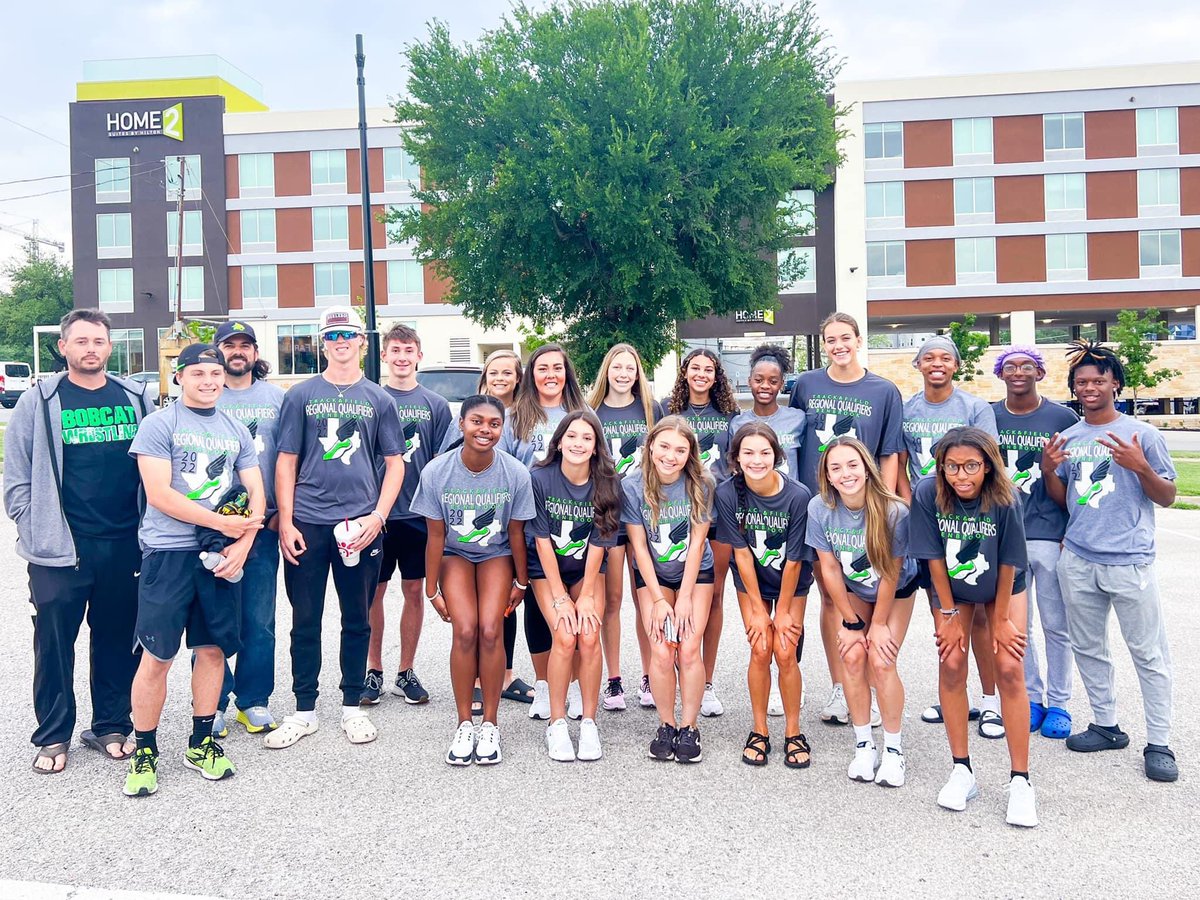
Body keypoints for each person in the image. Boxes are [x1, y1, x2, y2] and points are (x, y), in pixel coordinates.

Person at [5, 309, 153, 774]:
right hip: (60, 549)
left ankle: (110, 724)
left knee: (115, 638)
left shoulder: (135, 397)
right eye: (81, 341)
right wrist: (35, 526)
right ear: (63, 347)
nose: (91, 349)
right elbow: (16, 478)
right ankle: (52, 736)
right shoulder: (39, 401)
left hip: (124, 543)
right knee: (54, 643)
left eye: (99, 341)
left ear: (110, 348)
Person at [123, 344, 265, 796]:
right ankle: (144, 748)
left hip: (220, 556)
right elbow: (160, 494)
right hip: (168, 554)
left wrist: (242, 543)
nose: (208, 381)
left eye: (215, 373)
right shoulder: (159, 424)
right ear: (179, 376)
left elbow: (256, 494)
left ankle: (201, 741)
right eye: (198, 372)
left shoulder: (235, 428)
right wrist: (223, 523)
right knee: (158, 655)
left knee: (212, 651)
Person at [266, 307, 405, 750]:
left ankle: (352, 707)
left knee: (357, 618)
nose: (341, 341)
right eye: (332, 335)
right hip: (308, 521)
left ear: (362, 341)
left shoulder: (379, 398)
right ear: (321, 343)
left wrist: (378, 516)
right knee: (305, 618)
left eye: (348, 334)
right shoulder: (300, 394)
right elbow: (285, 460)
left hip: (359, 522)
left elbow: (395, 463)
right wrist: (285, 520)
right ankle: (304, 709)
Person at [1042, 340, 1178, 783]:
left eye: (1098, 380)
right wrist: (1047, 471)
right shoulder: (1069, 438)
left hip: (1129, 560)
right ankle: (1106, 724)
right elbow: (1067, 502)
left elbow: (1169, 496)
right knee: (1089, 648)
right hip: (1078, 558)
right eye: (1081, 382)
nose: (1089, 388)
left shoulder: (1143, 435)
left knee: (1148, 653)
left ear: (1114, 383)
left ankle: (1159, 741)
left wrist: (1141, 467)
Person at [908, 426, 1035, 827]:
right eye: (952, 466)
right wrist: (947, 615)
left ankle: (1020, 781)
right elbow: (932, 558)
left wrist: (999, 620)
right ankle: (962, 769)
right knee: (950, 664)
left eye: (971, 466)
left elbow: (1011, 560)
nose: (961, 475)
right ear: (941, 466)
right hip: (951, 590)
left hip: (1004, 583)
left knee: (1011, 669)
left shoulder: (1004, 495)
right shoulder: (928, 492)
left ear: (987, 466)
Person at [790, 313, 904, 726]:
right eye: (830, 340)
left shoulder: (884, 391)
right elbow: (793, 438)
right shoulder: (806, 385)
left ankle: (872, 685)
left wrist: (884, 504)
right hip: (821, 507)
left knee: (870, 592)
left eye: (845, 338)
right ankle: (842, 686)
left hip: (865, 506)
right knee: (831, 596)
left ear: (858, 340)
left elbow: (890, 451)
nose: (838, 345)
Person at [411, 395, 536, 765]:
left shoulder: (515, 473)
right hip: (455, 555)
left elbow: (515, 534)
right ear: (462, 424)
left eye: (494, 424)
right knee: (465, 630)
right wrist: (430, 588)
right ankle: (465, 722)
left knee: (490, 630)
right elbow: (435, 536)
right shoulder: (437, 471)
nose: (485, 430)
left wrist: (523, 582)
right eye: (477, 422)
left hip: (496, 554)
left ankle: (492, 725)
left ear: (502, 429)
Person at [899, 336, 1004, 739]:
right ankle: (953, 695)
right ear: (918, 365)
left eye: (945, 357)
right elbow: (904, 464)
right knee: (945, 615)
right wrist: (915, 511)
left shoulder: (974, 407)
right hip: (930, 520)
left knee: (980, 617)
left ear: (956, 366)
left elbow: (990, 465)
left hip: (971, 520)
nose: (937, 363)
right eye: (929, 357)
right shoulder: (908, 409)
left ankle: (991, 701)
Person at [807, 436, 919, 786]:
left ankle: (894, 751)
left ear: (867, 468)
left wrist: (879, 624)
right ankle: (864, 745)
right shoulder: (820, 508)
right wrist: (851, 621)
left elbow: (891, 570)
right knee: (853, 655)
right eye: (835, 467)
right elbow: (829, 570)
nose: (845, 473)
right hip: (855, 590)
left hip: (895, 589)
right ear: (826, 474)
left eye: (852, 464)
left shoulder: (894, 510)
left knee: (882, 659)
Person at [991, 345, 1079, 740]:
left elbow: (1077, 479)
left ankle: (1060, 702)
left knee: (1056, 625)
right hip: (1007, 536)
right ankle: (1030, 697)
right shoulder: (989, 416)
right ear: (1001, 374)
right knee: (1015, 625)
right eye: (1011, 366)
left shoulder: (1063, 417)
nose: (1019, 372)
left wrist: (1072, 532)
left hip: (1051, 534)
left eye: (1028, 366)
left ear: (1040, 373)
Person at [713, 423, 811, 768]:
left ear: (777, 455)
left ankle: (794, 732)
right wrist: (758, 610)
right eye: (749, 453)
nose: (757, 460)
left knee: (784, 651)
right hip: (751, 579)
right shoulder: (726, 493)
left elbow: (796, 560)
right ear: (737, 458)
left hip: (791, 580)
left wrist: (782, 612)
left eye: (765, 452)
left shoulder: (798, 496)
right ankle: (759, 730)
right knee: (760, 647)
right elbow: (741, 555)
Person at [363, 324, 452, 706]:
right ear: (384, 355)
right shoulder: (370, 399)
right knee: (373, 594)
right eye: (394, 349)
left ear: (419, 355)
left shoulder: (436, 405)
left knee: (414, 590)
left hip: (417, 515)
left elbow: (444, 464)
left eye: (408, 349)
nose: (401, 356)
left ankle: (405, 671)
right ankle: (373, 670)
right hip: (376, 515)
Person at [501, 343, 588, 720]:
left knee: (575, 603)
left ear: (567, 372)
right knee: (539, 605)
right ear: (530, 374)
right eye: (542, 368)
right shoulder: (514, 416)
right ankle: (542, 685)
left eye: (557, 367)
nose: (550, 374)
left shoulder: (581, 414)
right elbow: (499, 466)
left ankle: (569, 685)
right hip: (527, 521)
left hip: (572, 520)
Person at [622, 416, 715, 764]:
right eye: (664, 446)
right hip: (653, 576)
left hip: (695, 573)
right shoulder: (632, 486)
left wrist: (686, 596)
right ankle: (666, 724)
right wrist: (659, 599)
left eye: (680, 449)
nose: (671, 456)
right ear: (650, 447)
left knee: (689, 647)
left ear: (690, 453)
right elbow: (639, 547)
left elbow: (696, 543)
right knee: (661, 649)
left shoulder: (702, 483)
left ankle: (689, 726)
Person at [529, 411, 621, 761]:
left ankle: (588, 721)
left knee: (588, 632)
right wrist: (559, 598)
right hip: (547, 570)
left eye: (587, 438)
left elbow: (600, 543)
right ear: (559, 440)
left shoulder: (607, 482)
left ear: (597, 446)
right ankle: (556, 722)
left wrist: (584, 597)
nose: (578, 444)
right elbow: (540, 541)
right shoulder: (539, 477)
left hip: (588, 570)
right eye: (572, 436)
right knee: (565, 635)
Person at [212, 320, 286, 738]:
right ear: (217, 351)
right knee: (214, 617)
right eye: (229, 345)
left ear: (256, 354)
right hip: (210, 526)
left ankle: (254, 699)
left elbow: (291, 458)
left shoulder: (277, 399)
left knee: (259, 618)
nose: (237, 352)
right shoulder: (201, 394)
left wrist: (278, 512)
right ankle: (213, 699)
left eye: (245, 346)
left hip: (263, 524)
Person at [588, 343, 663, 715]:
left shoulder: (652, 409)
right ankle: (614, 678)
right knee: (613, 600)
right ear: (607, 370)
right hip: (608, 512)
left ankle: (650, 675)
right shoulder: (591, 411)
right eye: (617, 367)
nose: (623, 374)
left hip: (644, 511)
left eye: (630, 368)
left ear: (638, 373)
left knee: (645, 599)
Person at [667, 349, 741, 720]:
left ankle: (705, 681)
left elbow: (738, 462)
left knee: (711, 599)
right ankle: (663, 674)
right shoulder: (668, 411)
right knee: (668, 596)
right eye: (694, 368)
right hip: (677, 511)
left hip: (720, 512)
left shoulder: (730, 415)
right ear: (685, 372)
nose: (701, 374)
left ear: (716, 376)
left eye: (708, 369)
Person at [467, 349, 535, 709]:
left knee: (506, 602)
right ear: (485, 374)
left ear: (518, 377)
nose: (501, 377)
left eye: (508, 372)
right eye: (495, 371)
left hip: (516, 517)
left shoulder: (525, 416)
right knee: (476, 606)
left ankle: (505, 674)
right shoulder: (471, 412)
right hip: (479, 520)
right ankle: (476, 676)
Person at [729, 345, 804, 478]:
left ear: (781, 384)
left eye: (773, 381)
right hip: (751, 497)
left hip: (789, 497)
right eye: (758, 380)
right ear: (749, 382)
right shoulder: (737, 424)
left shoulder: (798, 419)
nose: (765, 386)